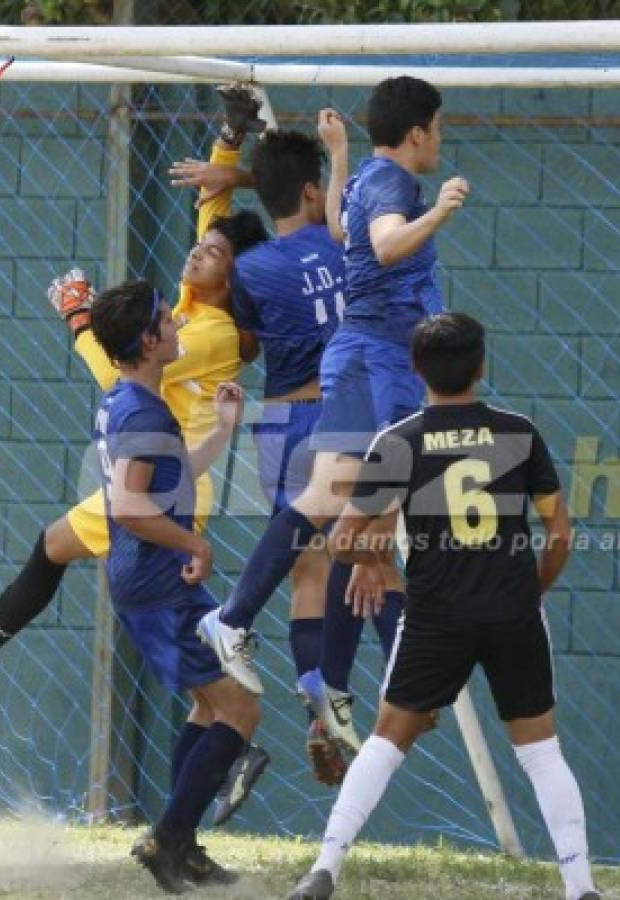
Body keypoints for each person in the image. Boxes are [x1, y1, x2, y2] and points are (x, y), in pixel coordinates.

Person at [0, 85, 271, 824]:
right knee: (55, 548)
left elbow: (119, 368)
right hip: (161, 476)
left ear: (230, 280)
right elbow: (212, 213)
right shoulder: (201, 301)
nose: (199, 248)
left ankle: (225, 758)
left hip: (163, 490)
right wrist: (230, 140)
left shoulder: (207, 333)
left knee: (195, 674)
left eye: (213, 254)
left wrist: (79, 317)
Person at [199, 76, 469, 759]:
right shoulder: (401, 191)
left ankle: (252, 634)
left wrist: (338, 152)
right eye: (436, 128)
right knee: (374, 524)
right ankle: (373, 679)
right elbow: (378, 246)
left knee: (346, 525)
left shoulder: (363, 188)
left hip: (347, 370)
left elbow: (348, 228)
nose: (440, 140)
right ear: (417, 134)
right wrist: (439, 212)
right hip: (377, 360)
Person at [286, 313, 599, 900]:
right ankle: (581, 887)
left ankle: (324, 869)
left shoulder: (399, 441)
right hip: (513, 611)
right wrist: (533, 590)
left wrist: (376, 560)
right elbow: (559, 531)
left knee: (385, 741)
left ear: (414, 369)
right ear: (482, 367)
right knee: (540, 751)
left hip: (436, 616)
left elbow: (343, 541)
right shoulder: (519, 432)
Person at [86, 278, 256, 893]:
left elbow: (168, 480)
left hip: (156, 579)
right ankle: (168, 840)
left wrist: (224, 430)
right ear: (148, 340)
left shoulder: (127, 399)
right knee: (239, 707)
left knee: (211, 705)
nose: (179, 325)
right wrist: (195, 543)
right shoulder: (141, 409)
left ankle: (182, 844)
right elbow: (131, 507)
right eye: (167, 319)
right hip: (158, 581)